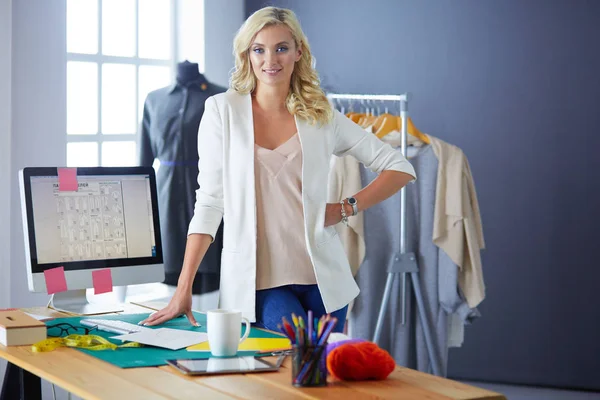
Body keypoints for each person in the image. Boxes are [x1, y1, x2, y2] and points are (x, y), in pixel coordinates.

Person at [140, 6, 416, 333]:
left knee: (320, 378)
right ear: (247, 55)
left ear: (299, 52)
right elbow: (210, 203)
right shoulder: (221, 111)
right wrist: (183, 288)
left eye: (281, 48)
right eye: (259, 49)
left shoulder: (320, 115)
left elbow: (399, 166)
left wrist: (345, 208)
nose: (270, 60)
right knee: (292, 360)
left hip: (325, 283)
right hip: (259, 284)